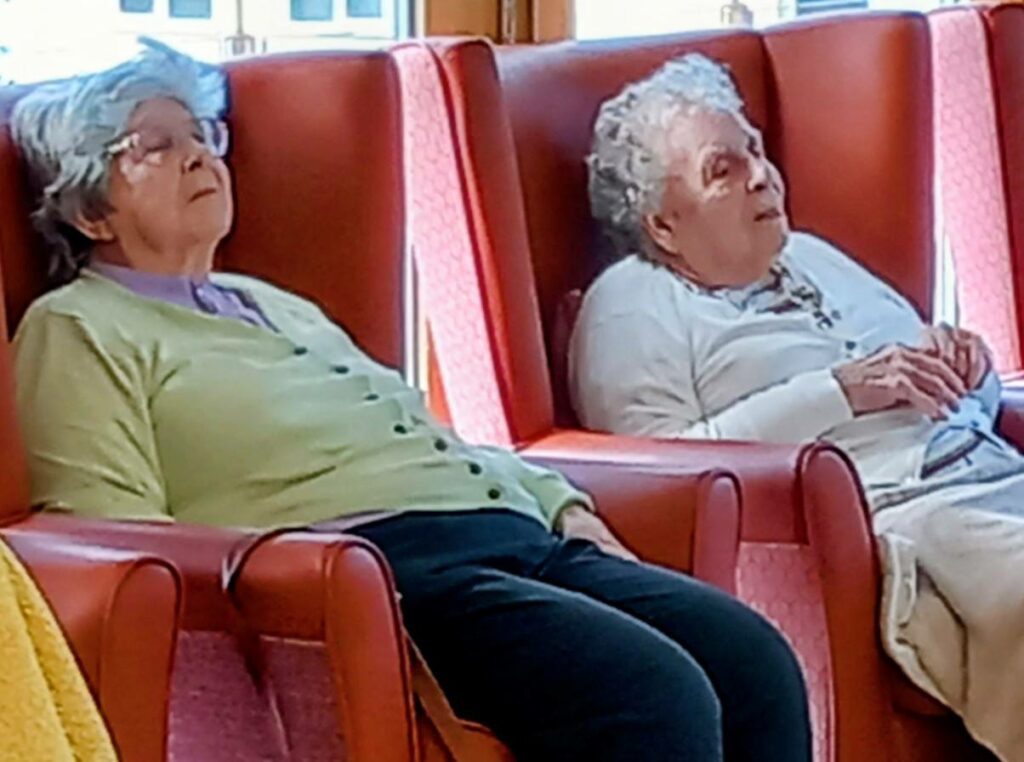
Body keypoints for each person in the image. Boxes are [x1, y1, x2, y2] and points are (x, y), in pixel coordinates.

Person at [8, 40, 811, 762]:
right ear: (87, 208)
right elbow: (109, 536)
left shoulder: (274, 304)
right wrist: (290, 573)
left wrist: (561, 502)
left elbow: (426, 437)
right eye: (158, 144)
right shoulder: (80, 326)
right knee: (652, 694)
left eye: (204, 137)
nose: (200, 158)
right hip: (382, 575)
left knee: (756, 659)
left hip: (508, 531)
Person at [571, 52, 1024, 760]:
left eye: (754, 150)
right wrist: (838, 392)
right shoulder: (634, 302)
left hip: (992, 473)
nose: (761, 173)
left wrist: (975, 370)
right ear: (663, 224)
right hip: (902, 514)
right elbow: (660, 472)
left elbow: (944, 388)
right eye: (723, 169)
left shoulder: (810, 255)